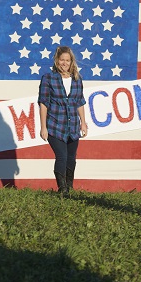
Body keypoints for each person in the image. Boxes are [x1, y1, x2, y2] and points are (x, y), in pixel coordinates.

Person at [38, 46, 88, 196]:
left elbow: (79, 102)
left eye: (67, 60)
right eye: (62, 60)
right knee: (62, 156)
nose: (64, 63)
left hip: (73, 126)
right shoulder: (49, 78)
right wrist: (43, 127)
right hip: (55, 125)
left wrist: (83, 123)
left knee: (72, 158)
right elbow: (43, 103)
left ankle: (69, 187)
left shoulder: (77, 79)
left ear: (71, 61)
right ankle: (62, 189)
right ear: (57, 61)